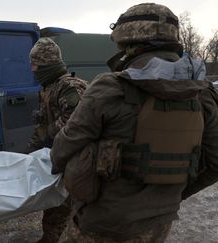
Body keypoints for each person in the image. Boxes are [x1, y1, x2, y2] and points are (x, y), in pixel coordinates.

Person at [50, 3, 218, 242]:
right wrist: (173, 195)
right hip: (158, 224)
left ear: (127, 43)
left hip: (101, 222)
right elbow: (215, 164)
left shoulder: (110, 88)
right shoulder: (202, 93)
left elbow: (62, 150)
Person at [27, 37, 87, 243]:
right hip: (60, 156)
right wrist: (29, 152)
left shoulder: (69, 87)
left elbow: (75, 121)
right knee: (54, 205)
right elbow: (43, 125)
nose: (32, 69)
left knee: (66, 207)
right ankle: (50, 237)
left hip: (76, 158)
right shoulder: (48, 88)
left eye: (35, 64)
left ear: (47, 64)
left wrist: (49, 133)